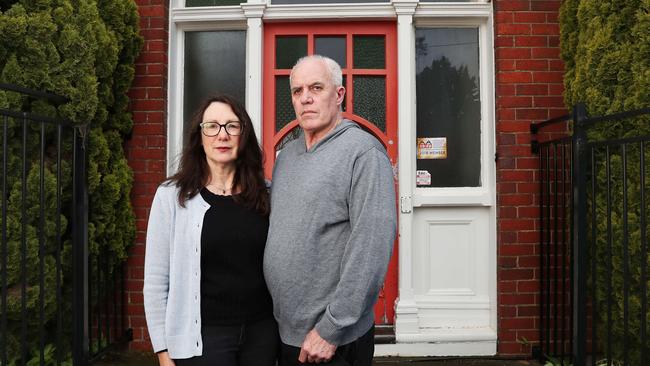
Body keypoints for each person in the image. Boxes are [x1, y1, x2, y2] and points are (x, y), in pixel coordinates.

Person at [264, 55, 397, 365]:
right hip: (286, 333)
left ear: (339, 95)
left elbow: (371, 248)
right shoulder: (287, 157)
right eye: (297, 91)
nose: (305, 98)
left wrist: (331, 329)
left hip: (332, 341)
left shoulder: (363, 153)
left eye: (316, 88)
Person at [143, 94, 278, 366]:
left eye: (232, 126)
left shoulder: (267, 194)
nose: (222, 135)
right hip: (203, 339)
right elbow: (156, 281)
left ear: (244, 135)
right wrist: (163, 351)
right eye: (212, 126)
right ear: (199, 136)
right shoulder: (172, 196)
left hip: (261, 334)